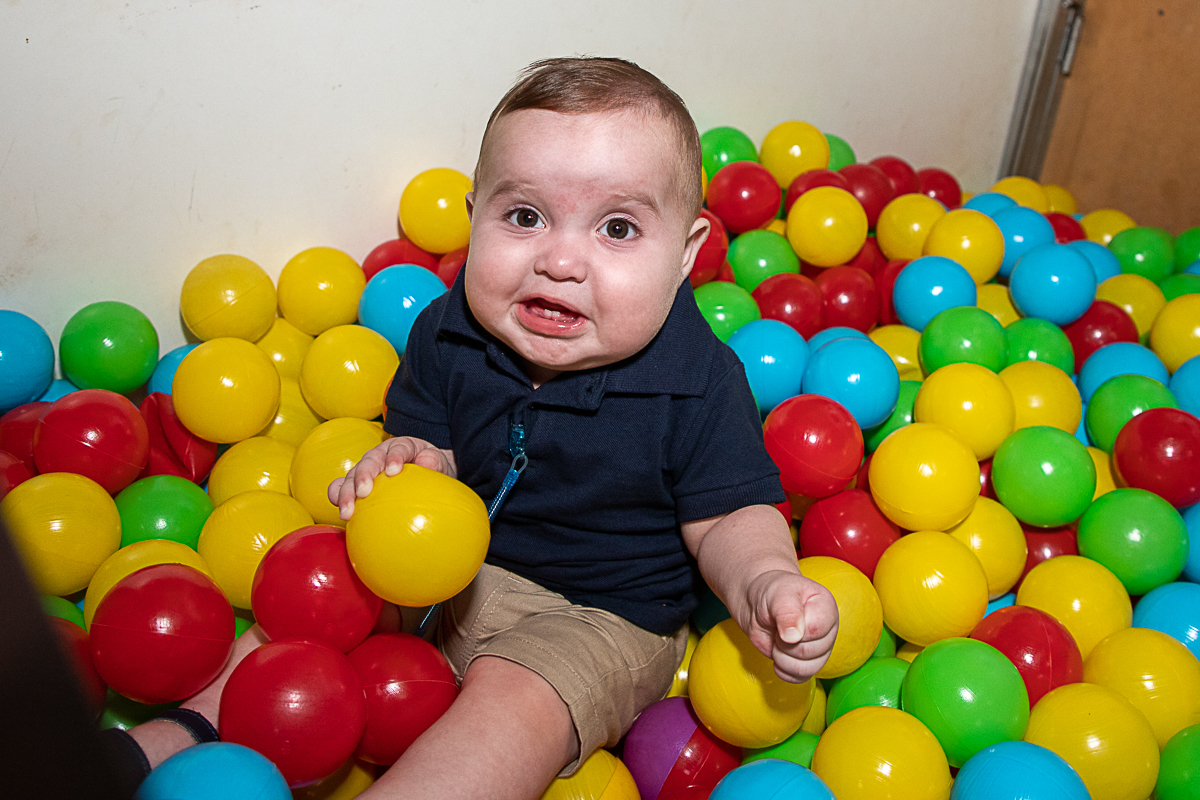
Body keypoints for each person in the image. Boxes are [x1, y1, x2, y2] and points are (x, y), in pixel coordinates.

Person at [107, 56, 838, 800]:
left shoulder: (700, 381)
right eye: (524, 217)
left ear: (685, 254)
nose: (560, 260)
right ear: (473, 215)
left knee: (516, 699)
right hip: (443, 568)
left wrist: (764, 579)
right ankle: (175, 735)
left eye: (617, 228)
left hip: (598, 616)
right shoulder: (449, 329)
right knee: (316, 591)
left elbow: (727, 519)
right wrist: (412, 462)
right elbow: (439, 452)